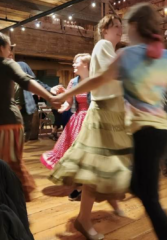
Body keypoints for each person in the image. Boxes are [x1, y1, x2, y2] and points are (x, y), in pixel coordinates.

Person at [51, 3, 167, 240]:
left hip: (143, 132)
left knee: (145, 194)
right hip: (161, 132)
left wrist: (65, 94)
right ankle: (119, 208)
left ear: (133, 27)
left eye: (125, 26)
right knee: (132, 182)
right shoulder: (165, 54)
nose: (122, 31)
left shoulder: (128, 54)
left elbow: (97, 80)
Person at [49, 15, 132, 240]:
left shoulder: (110, 50)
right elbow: (106, 79)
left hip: (110, 113)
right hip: (104, 113)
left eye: (119, 26)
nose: (118, 29)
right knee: (96, 170)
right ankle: (84, 219)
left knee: (106, 166)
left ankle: (106, 206)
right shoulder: (103, 45)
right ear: (104, 29)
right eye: (114, 26)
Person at [0, 32, 55, 201]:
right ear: (1, 48)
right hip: (6, 124)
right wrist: (50, 97)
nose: (10, 52)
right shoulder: (6, 64)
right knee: (9, 166)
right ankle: (11, 204)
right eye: (9, 47)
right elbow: (26, 81)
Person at [41, 53, 91, 170]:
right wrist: (64, 105)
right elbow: (69, 102)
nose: (73, 64)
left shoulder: (94, 80)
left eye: (76, 62)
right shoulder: (73, 82)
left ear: (86, 65)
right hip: (78, 119)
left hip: (92, 118)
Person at [15, 61, 63, 141]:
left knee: (24, 136)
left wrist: (49, 89)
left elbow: (34, 81)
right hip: (8, 108)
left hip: (25, 107)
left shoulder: (22, 65)